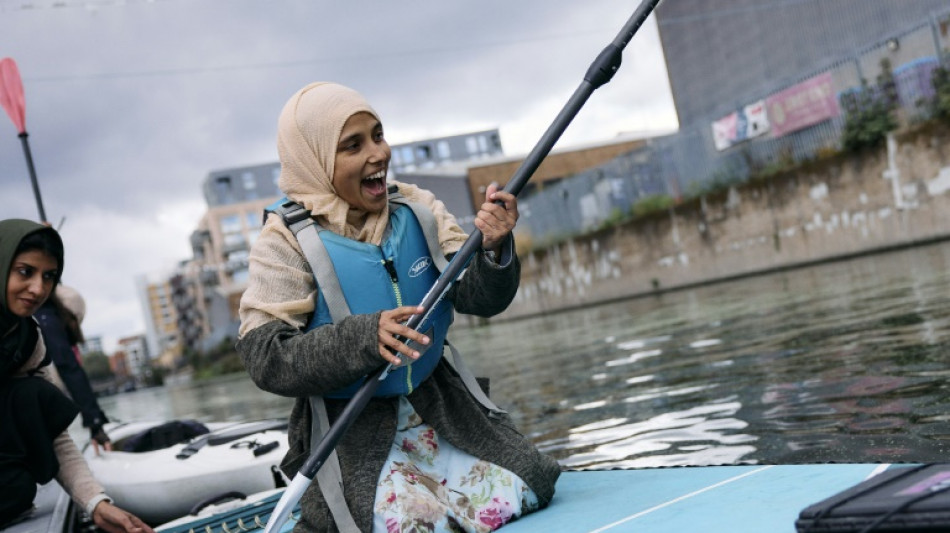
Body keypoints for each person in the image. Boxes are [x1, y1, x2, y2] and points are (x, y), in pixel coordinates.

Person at [237, 82, 560, 532]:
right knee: (411, 524)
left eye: (378, 135)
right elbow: (266, 358)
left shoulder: (418, 208)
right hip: (351, 433)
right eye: (353, 145)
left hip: (439, 406)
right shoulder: (283, 242)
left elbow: (480, 299)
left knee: (524, 487)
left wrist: (494, 248)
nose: (378, 153)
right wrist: (363, 339)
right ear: (314, 160)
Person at [0, 218, 153, 532]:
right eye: (25, 272)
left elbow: (51, 427)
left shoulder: (28, 338)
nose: (38, 289)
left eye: (49, 277)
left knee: (37, 397)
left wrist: (96, 502)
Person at [34, 284, 113, 455]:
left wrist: (95, 424)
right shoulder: (49, 312)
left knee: (67, 365)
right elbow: (70, 370)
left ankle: (95, 426)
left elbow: (71, 370)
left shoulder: (52, 311)